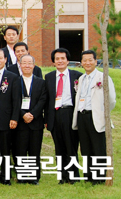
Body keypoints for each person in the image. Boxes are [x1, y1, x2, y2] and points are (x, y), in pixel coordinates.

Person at [72, 50, 116, 184]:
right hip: (82, 116)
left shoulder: (103, 77)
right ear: (81, 63)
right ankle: (88, 176)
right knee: (85, 148)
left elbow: (112, 100)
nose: (87, 63)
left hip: (96, 116)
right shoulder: (81, 78)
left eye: (90, 60)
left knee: (98, 147)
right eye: (84, 60)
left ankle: (99, 177)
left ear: (95, 61)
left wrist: (102, 112)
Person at [44, 48, 83, 184]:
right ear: (53, 62)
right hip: (55, 114)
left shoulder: (77, 76)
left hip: (70, 113)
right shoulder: (48, 77)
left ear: (67, 60)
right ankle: (62, 176)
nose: (60, 61)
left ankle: (74, 177)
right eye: (57, 59)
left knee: (71, 146)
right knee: (59, 147)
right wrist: (46, 119)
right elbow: (47, 99)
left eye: (62, 58)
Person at [0, 49, 21, 185]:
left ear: (5, 59)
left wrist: (14, 118)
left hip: (6, 119)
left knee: (6, 149)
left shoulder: (12, 77)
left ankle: (6, 176)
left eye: (0, 58)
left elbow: (16, 100)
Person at [15, 54, 47, 185]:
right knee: (20, 150)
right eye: (24, 63)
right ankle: (21, 176)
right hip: (20, 121)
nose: (27, 65)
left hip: (36, 121)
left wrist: (32, 114)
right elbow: (13, 101)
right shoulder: (15, 81)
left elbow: (43, 100)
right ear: (20, 65)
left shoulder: (41, 82)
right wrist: (23, 114)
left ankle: (34, 177)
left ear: (34, 65)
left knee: (35, 150)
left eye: (30, 63)